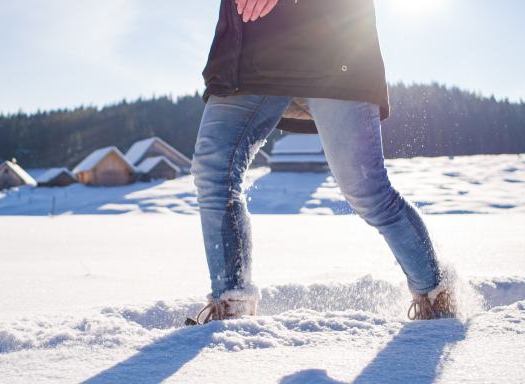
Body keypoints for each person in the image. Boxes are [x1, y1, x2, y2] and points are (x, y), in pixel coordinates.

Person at [186, 0, 456, 325]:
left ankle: (435, 296)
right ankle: (230, 308)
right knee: (214, 172)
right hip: (250, 51)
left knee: (367, 190)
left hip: (333, 47)